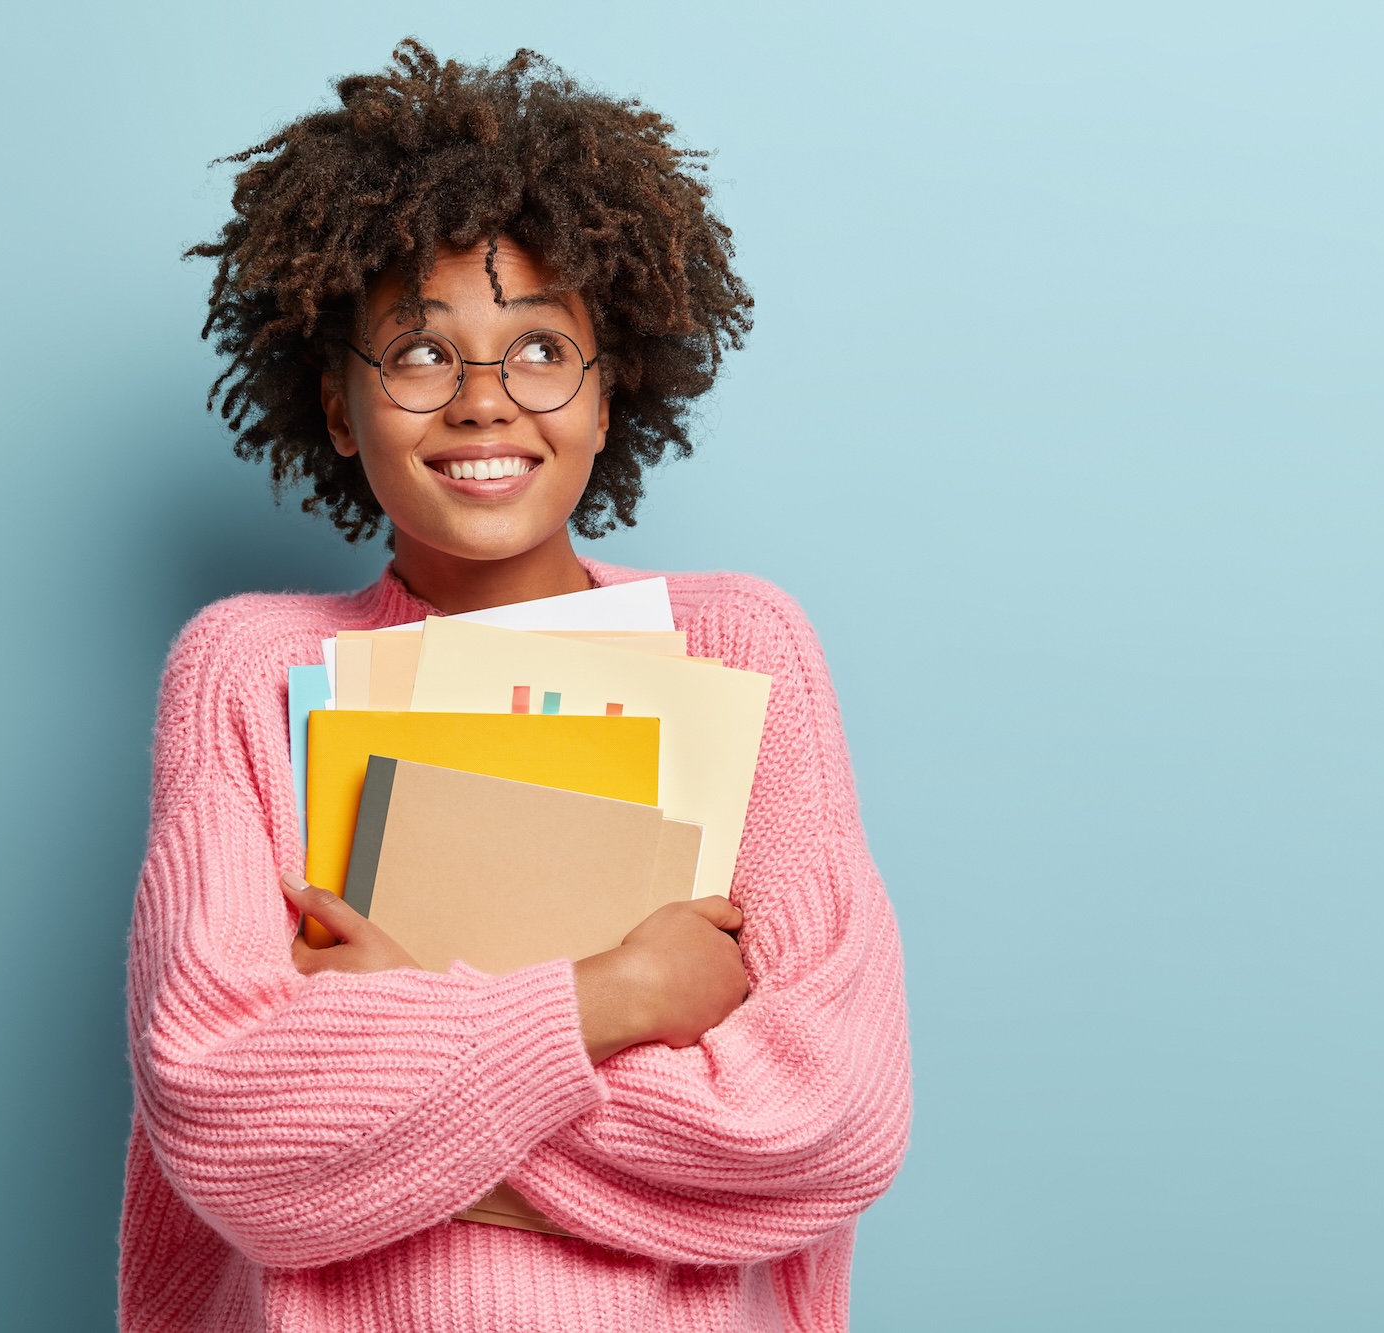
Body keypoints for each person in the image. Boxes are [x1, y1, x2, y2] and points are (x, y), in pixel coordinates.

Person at [119, 41, 912, 1333]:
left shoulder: (743, 646)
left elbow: (827, 1122)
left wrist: (399, 1071)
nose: (485, 403)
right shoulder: (248, 668)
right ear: (336, 404)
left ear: (610, 393)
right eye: (422, 355)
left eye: (542, 348)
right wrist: (622, 996)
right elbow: (231, 1130)